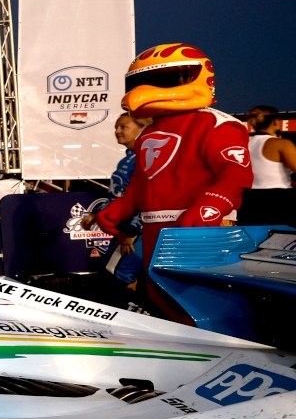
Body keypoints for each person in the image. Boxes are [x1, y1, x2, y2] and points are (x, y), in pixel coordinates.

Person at [93, 44, 252, 272]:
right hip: (153, 228)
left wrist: (210, 207)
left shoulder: (217, 124)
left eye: (164, 80)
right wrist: (121, 207)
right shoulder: (147, 132)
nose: (147, 89)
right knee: (158, 287)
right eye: (141, 82)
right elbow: (142, 182)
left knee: (200, 288)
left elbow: (235, 174)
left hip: (202, 227)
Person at [83, 114, 151, 285]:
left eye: (123, 127)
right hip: (127, 229)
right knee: (113, 272)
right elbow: (118, 194)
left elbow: (148, 197)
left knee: (116, 274)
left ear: (143, 128)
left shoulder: (147, 157)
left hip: (138, 231)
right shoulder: (127, 159)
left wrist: (133, 231)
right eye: (116, 127)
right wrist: (98, 213)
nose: (117, 131)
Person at [238, 106, 296, 227]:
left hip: (247, 201)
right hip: (278, 201)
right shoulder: (281, 144)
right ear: (275, 121)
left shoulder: (240, 143)